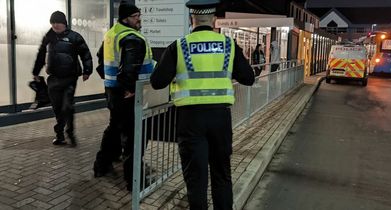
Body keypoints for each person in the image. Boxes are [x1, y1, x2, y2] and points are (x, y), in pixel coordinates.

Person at [150, 0, 254, 209]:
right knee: (222, 175)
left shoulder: (179, 46)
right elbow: (248, 78)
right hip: (220, 118)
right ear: (214, 20)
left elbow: (157, 81)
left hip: (190, 119)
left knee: (196, 180)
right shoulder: (228, 45)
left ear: (192, 19)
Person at [93, 0, 154, 192]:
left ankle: (101, 165)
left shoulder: (112, 34)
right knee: (134, 136)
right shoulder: (132, 38)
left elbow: (101, 59)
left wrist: (110, 82)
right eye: (136, 17)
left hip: (113, 91)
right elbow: (129, 69)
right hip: (128, 93)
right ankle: (134, 181)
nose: (139, 20)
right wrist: (129, 89)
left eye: (139, 17)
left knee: (114, 128)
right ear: (126, 18)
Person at [32, 11, 92, 146]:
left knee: (67, 106)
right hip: (53, 79)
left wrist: (87, 70)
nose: (55, 25)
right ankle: (60, 135)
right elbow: (41, 54)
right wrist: (36, 72)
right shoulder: (48, 37)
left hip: (70, 78)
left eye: (57, 22)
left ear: (64, 23)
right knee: (57, 108)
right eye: (52, 23)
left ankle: (69, 132)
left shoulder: (74, 37)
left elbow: (85, 53)